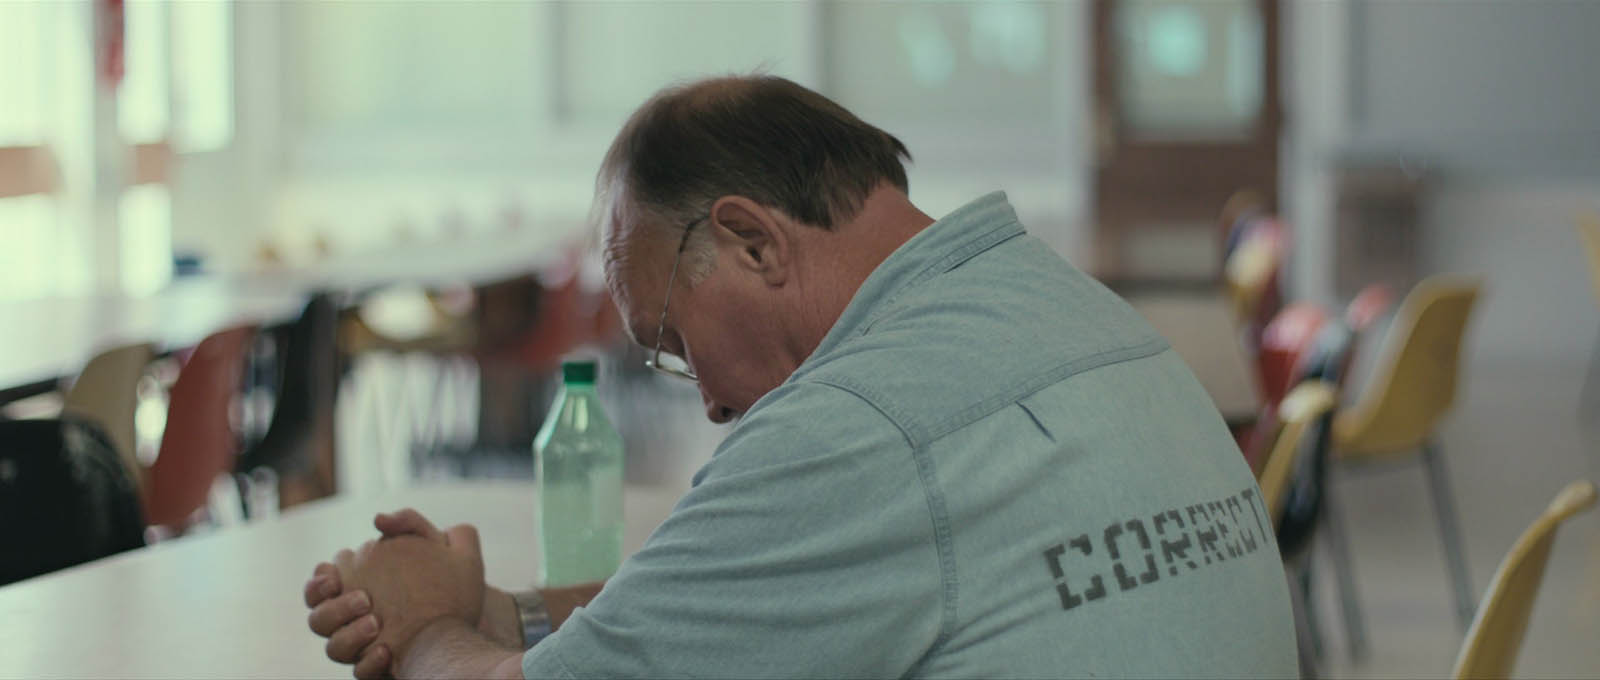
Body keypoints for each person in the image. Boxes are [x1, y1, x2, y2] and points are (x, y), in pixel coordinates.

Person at [304, 75, 1298, 679]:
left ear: (752, 240)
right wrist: (505, 615)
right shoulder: (1066, 306)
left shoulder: (858, 423)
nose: (708, 401)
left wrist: (425, 626)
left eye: (674, 337)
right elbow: (761, 593)